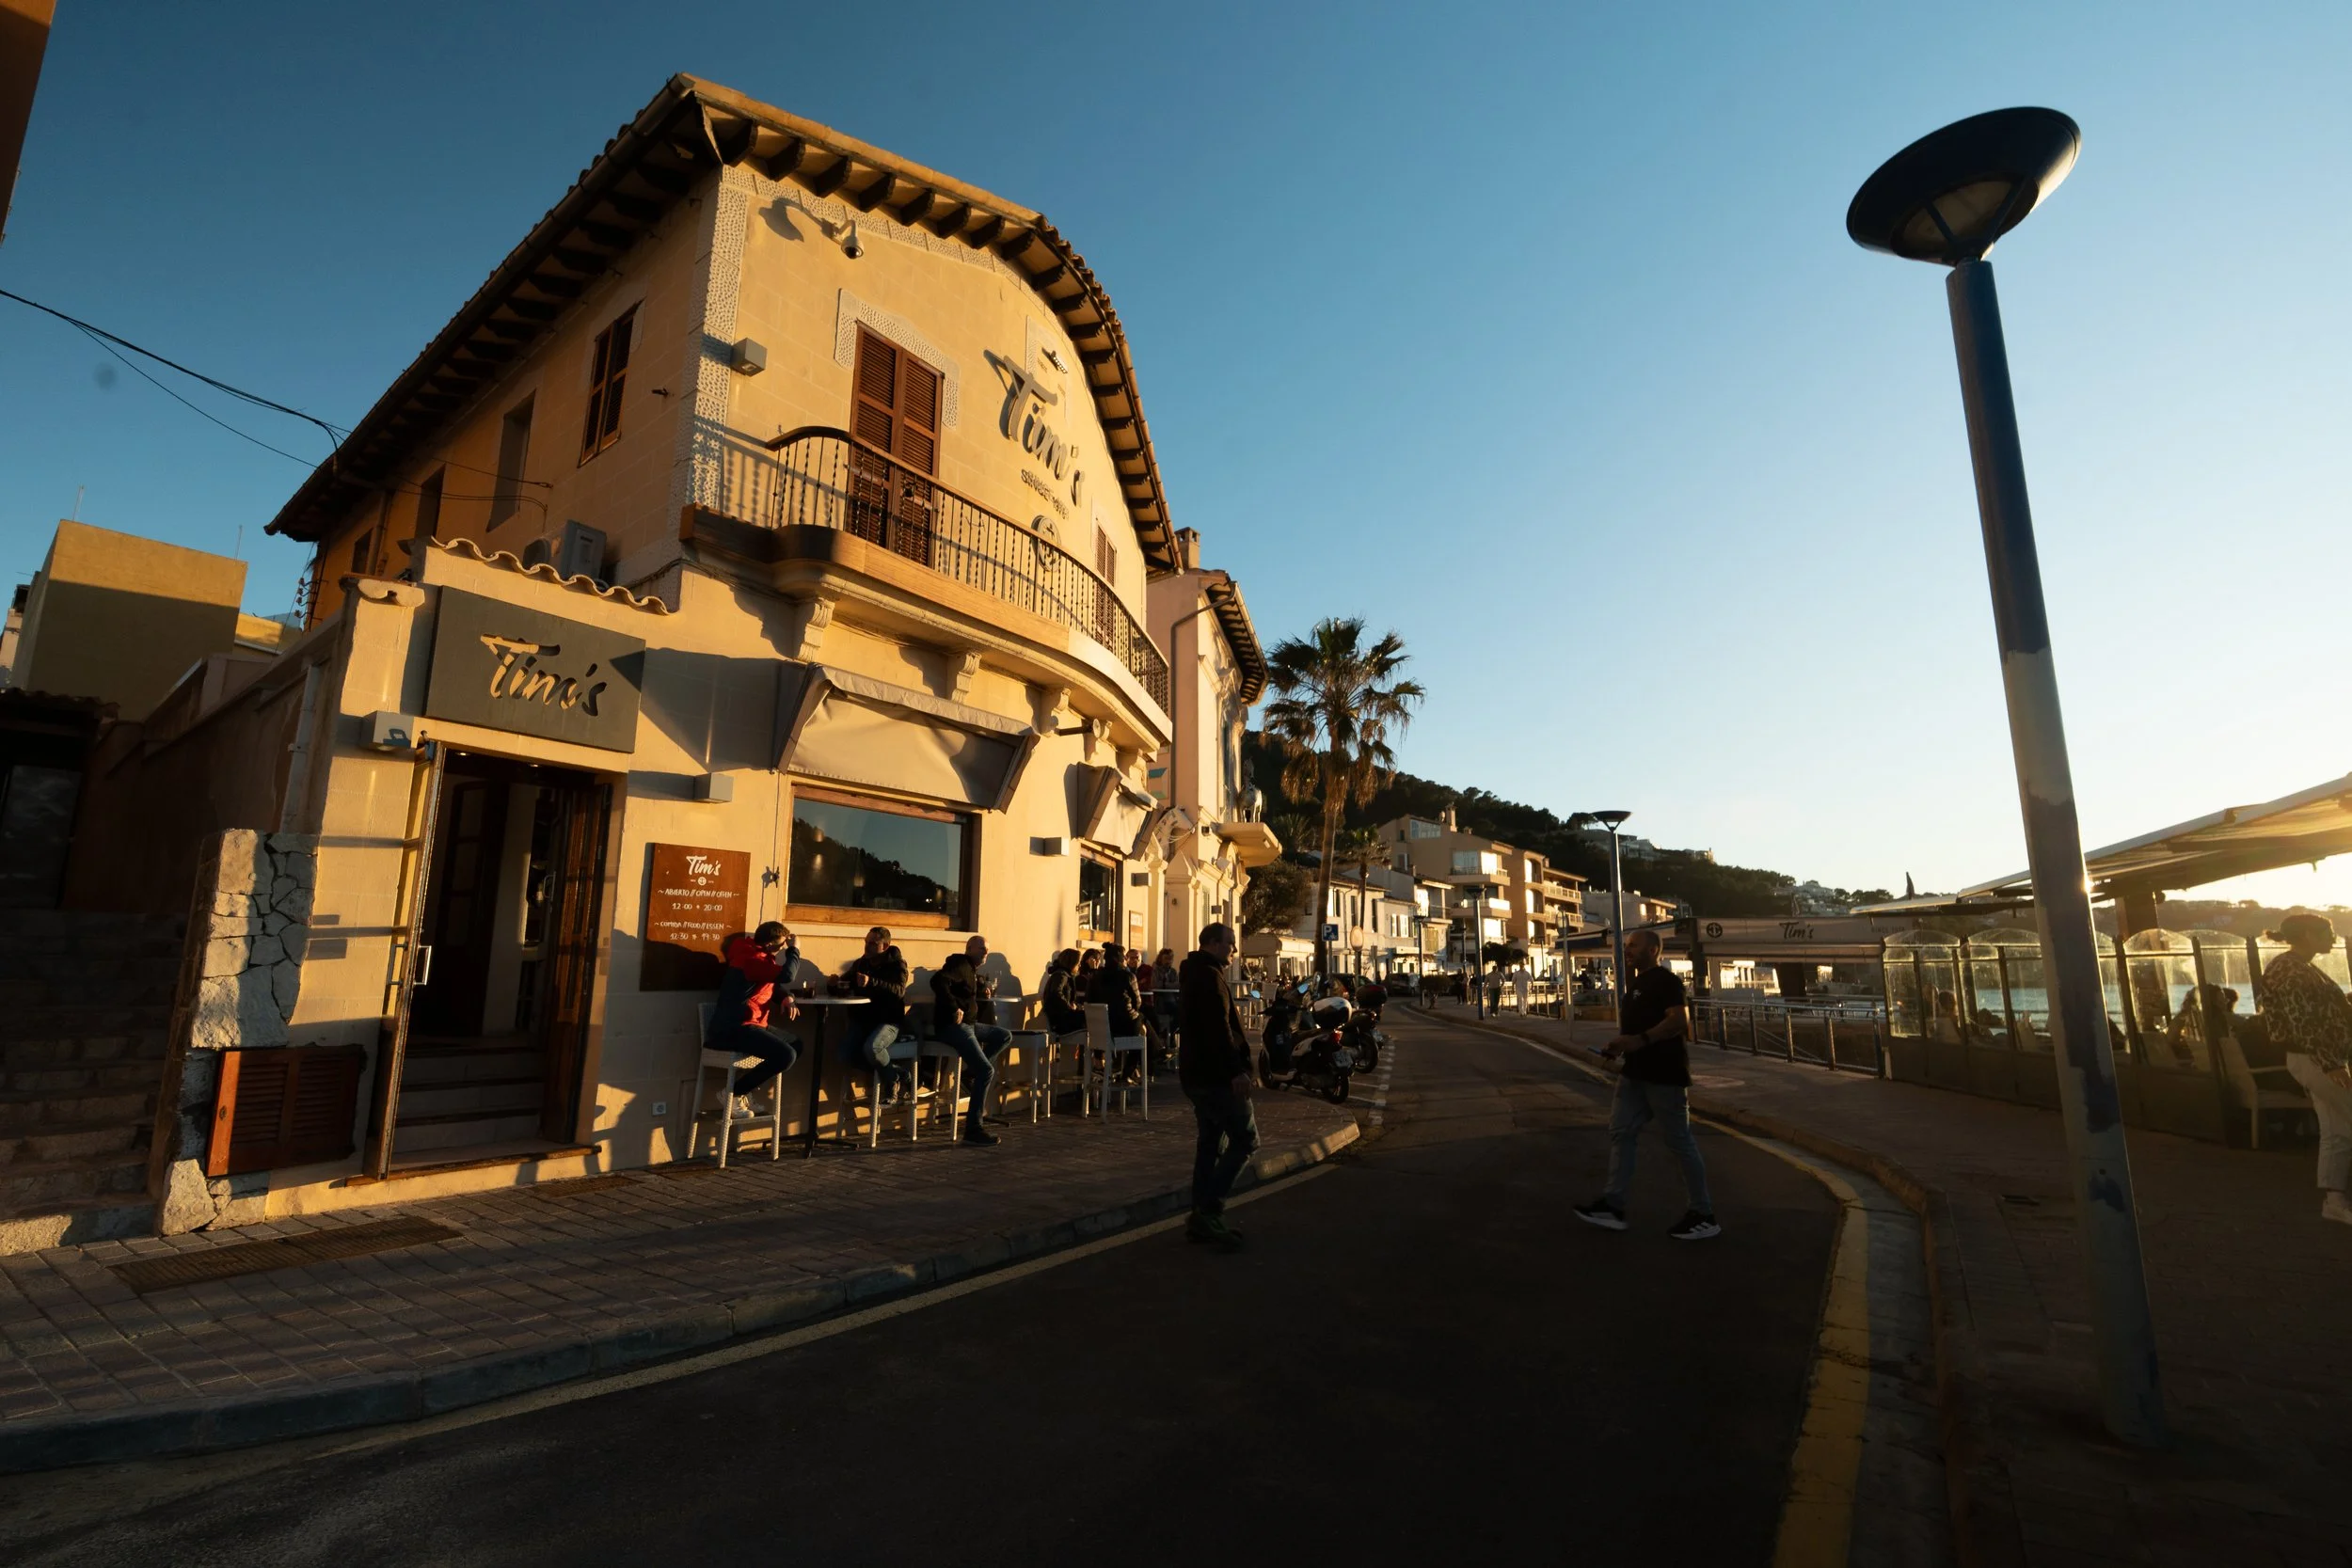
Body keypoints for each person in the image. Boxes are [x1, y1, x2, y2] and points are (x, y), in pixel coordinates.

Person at [1575, 927, 1718, 1241]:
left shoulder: (1667, 981)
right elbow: (1637, 1031)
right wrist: (1619, 1047)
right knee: (1621, 1132)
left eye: (1633, 946)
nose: (1627, 950)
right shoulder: (1637, 984)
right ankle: (1613, 1206)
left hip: (1664, 1074)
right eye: (1626, 946)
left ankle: (1703, 1214)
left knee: (1679, 1142)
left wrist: (1641, 1040)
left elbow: (1680, 1021)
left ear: (1653, 950)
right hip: (1634, 1074)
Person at [2257, 913, 2352, 1226]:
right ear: (2309, 935)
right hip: (2317, 1060)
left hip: (2313, 1059)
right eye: (2327, 932)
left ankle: (2335, 1201)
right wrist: (2332, 1063)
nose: (2333, 937)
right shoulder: (2292, 972)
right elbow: (2304, 1024)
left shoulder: (2296, 966)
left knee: (2336, 1131)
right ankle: (2335, 1201)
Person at [1178, 922, 1258, 1251]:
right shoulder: (1209, 978)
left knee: (1211, 1144)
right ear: (1211, 944)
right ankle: (1209, 1209)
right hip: (1215, 1078)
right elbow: (1219, 1030)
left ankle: (1201, 1216)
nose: (1233, 950)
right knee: (1245, 1140)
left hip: (1197, 1075)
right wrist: (1236, 1071)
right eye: (1229, 943)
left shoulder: (1196, 972)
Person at [711, 922, 803, 1116]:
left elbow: (769, 983)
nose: (781, 949)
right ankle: (733, 1093)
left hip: (753, 1023)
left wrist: (785, 998)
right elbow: (787, 975)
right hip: (734, 1028)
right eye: (780, 945)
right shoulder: (751, 959)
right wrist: (794, 950)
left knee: (796, 1044)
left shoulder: (757, 956)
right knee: (786, 1055)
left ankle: (745, 1089)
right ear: (769, 945)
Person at [931, 934, 1010, 1146]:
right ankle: (973, 1130)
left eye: (987, 950)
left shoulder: (971, 970)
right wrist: (953, 1007)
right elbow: (938, 980)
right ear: (969, 948)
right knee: (987, 1071)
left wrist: (981, 987)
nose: (986, 953)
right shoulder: (960, 963)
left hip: (970, 1025)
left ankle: (969, 1074)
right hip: (953, 1026)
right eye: (982, 948)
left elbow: (962, 988)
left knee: (1004, 1035)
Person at [834, 926, 911, 1097]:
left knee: (872, 1048)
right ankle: (897, 1073)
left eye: (872, 943)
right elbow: (845, 983)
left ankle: (891, 1082)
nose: (867, 946)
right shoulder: (861, 963)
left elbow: (899, 991)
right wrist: (833, 984)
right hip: (863, 1020)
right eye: (866, 942)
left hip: (889, 1021)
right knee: (843, 1055)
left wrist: (872, 982)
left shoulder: (896, 964)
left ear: (884, 946)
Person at [1041, 947, 1087, 1037]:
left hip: (1062, 1017)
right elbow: (1056, 993)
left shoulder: (1063, 974)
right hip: (1060, 1021)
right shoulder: (1061, 975)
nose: (1079, 966)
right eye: (1078, 963)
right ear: (1072, 963)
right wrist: (1069, 1007)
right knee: (1092, 1018)